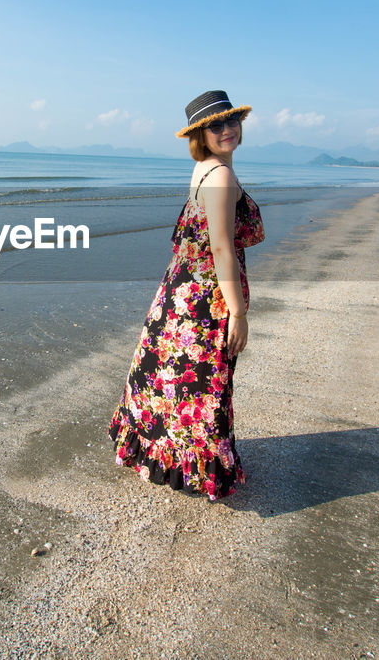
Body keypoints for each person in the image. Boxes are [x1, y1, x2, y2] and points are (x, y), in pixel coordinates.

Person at [108, 90, 265, 500]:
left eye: (232, 121)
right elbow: (220, 248)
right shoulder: (222, 176)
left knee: (175, 382)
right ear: (200, 134)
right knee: (204, 386)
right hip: (204, 300)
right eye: (216, 125)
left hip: (179, 291)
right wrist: (239, 312)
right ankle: (195, 469)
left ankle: (167, 458)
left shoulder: (205, 169)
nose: (227, 129)